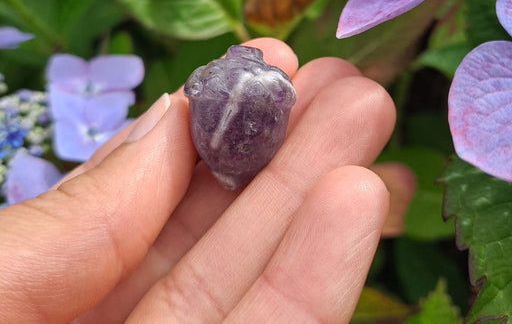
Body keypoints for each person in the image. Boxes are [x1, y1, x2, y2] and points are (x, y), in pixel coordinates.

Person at [0, 38, 398, 323]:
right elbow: (283, 98)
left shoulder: (211, 76)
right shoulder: (270, 82)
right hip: (230, 162)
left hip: (225, 159)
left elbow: (197, 90)